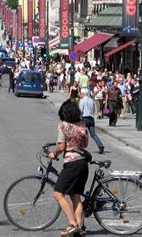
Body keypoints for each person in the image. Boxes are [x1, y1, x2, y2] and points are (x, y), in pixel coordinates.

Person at [48, 100, 89, 236]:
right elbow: (86, 144)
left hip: (72, 164)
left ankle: (72, 224)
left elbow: (61, 147)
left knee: (58, 194)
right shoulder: (82, 125)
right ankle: (79, 227)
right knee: (75, 195)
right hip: (83, 163)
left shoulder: (63, 126)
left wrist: (54, 154)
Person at [79, 89, 105, 154]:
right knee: (93, 134)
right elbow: (93, 110)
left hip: (84, 118)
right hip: (91, 119)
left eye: (81, 93)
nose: (80, 95)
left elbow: (80, 110)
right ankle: (100, 145)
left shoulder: (82, 101)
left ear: (83, 94)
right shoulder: (91, 100)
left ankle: (81, 147)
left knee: (81, 134)